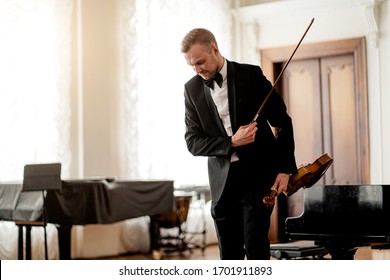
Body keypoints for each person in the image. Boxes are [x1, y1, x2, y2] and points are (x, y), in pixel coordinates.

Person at [181, 28, 298, 260]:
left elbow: (283, 122)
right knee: (229, 255)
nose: (197, 70)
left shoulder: (250, 76)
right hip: (222, 185)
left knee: (256, 251)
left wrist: (285, 168)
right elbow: (193, 143)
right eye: (191, 65)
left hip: (256, 179)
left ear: (215, 49)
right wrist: (231, 142)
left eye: (200, 62)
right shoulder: (191, 89)